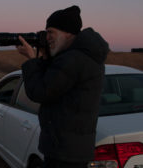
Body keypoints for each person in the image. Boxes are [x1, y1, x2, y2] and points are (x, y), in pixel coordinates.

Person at [16, 5, 109, 168]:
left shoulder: (73, 60)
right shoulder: (79, 57)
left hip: (65, 152)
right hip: (70, 149)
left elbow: (40, 91)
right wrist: (45, 57)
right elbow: (54, 83)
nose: (47, 37)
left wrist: (31, 60)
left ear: (67, 33)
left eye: (51, 32)